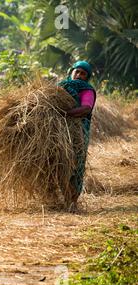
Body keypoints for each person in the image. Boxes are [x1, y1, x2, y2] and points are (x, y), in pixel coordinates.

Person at [58, 60, 97, 212]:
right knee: (59, 164)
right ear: (71, 71)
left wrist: (65, 114)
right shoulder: (61, 87)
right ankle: (64, 198)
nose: (79, 75)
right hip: (59, 132)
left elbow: (86, 109)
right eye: (77, 71)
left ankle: (72, 201)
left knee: (75, 165)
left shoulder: (87, 90)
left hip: (78, 133)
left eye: (83, 73)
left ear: (87, 77)